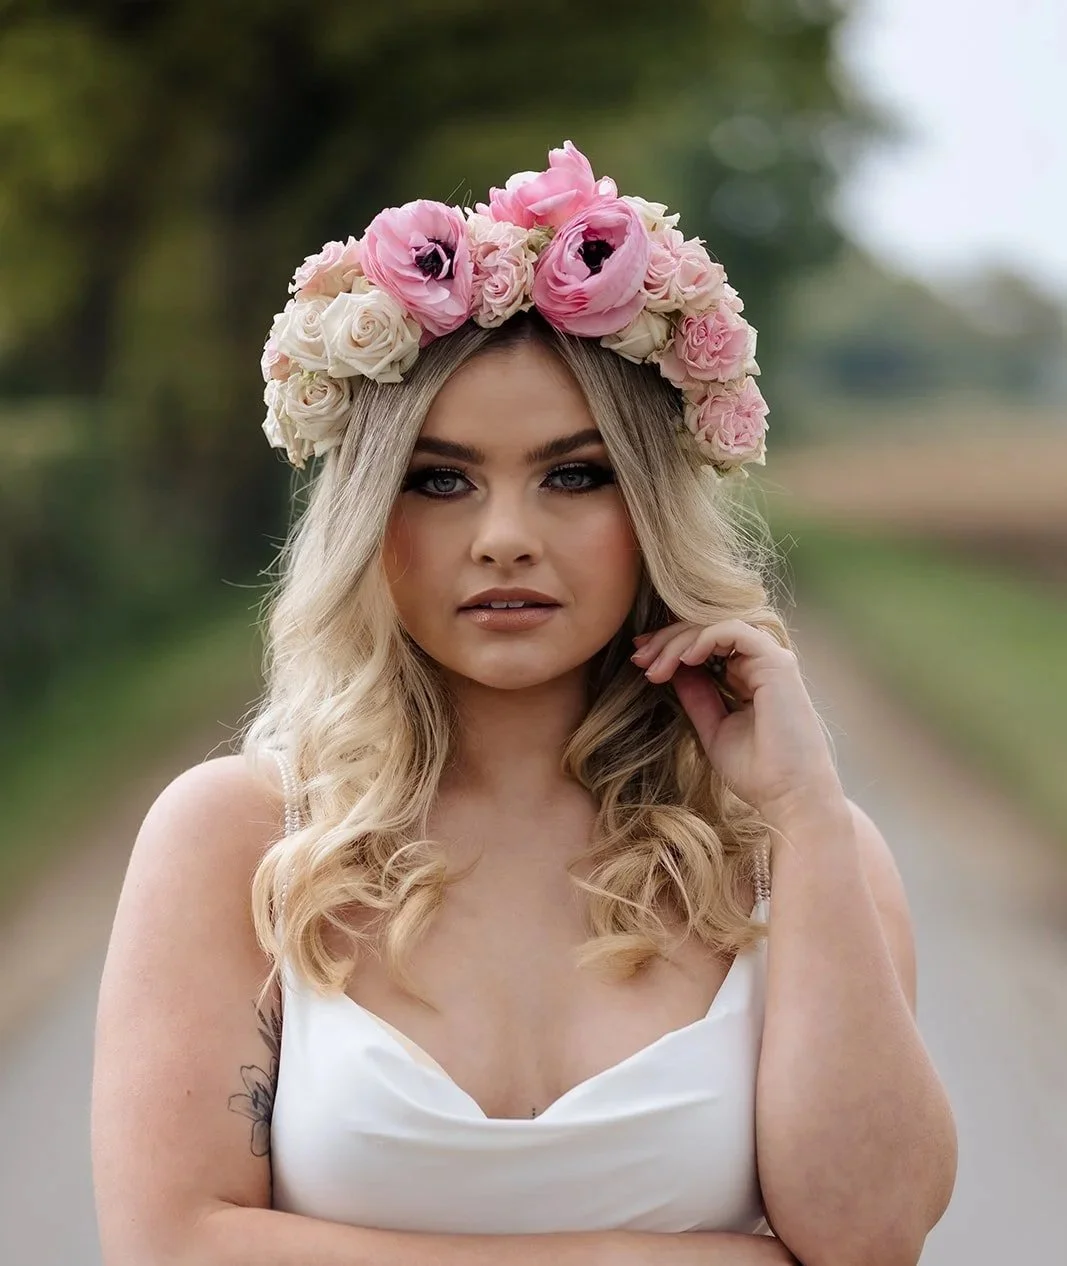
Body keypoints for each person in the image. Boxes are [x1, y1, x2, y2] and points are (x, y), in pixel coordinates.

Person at [91, 141, 957, 1266]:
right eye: (439, 479)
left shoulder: (794, 856)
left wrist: (801, 816)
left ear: (647, 505)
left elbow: (871, 1237)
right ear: (367, 515)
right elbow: (169, 1246)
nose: (503, 536)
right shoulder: (239, 838)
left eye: (573, 474)